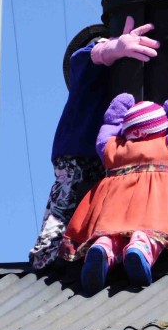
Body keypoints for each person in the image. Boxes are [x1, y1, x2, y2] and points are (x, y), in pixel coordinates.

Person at [29, 17, 160, 270]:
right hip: (76, 153)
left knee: (93, 206)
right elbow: (87, 56)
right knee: (66, 201)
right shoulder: (86, 65)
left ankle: (82, 250)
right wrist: (112, 48)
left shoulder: (116, 81)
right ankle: (46, 254)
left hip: (104, 156)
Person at [59, 93, 168, 294]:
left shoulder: (114, 149)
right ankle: (138, 250)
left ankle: (103, 250)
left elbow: (107, 130)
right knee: (147, 235)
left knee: (109, 234)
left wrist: (120, 105)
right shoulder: (166, 147)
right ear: (160, 129)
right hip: (152, 203)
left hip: (113, 202)